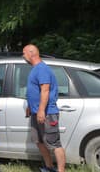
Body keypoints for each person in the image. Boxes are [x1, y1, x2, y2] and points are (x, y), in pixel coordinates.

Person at [23, 44, 65, 172]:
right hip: (36, 113)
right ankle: (49, 167)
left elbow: (45, 90)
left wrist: (41, 110)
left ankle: (61, 170)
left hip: (47, 113)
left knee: (54, 144)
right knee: (39, 141)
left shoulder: (42, 69)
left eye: (24, 53)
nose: (23, 57)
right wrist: (31, 106)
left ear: (31, 53)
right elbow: (34, 90)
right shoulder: (35, 69)